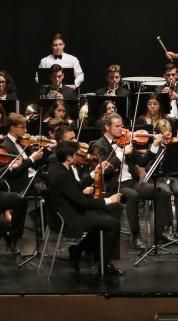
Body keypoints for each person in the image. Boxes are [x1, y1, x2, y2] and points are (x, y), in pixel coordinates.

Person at [90, 113, 171, 249]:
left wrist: (155, 145)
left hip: (131, 182)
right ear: (107, 127)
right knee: (132, 195)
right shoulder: (98, 145)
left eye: (122, 125)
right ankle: (136, 236)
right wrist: (121, 154)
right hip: (113, 185)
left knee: (161, 191)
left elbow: (141, 162)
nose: (121, 129)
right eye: (117, 126)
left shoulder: (125, 141)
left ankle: (159, 234)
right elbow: (104, 171)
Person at [47, 140, 124, 276]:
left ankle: (77, 250)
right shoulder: (61, 174)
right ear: (69, 157)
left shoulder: (62, 168)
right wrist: (108, 200)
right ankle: (104, 265)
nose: (80, 156)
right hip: (70, 217)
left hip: (71, 211)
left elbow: (75, 187)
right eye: (77, 154)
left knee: (104, 218)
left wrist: (95, 173)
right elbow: (82, 202)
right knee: (113, 224)